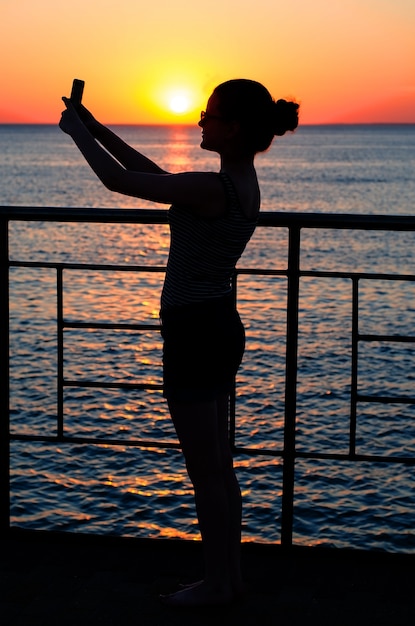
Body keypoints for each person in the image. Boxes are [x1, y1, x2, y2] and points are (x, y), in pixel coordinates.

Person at [59, 79, 299, 607]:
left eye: (208, 115)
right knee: (219, 466)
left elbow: (122, 182)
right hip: (217, 325)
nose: (199, 121)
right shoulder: (238, 181)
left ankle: (215, 585)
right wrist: (97, 127)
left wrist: (78, 136)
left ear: (232, 128)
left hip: (194, 333)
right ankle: (229, 579)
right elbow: (158, 177)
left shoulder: (214, 190)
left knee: (205, 470)